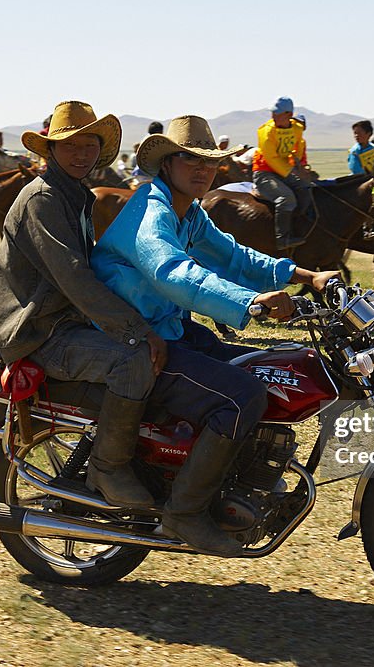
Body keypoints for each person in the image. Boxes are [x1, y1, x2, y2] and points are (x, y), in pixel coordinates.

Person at [91, 115, 338, 556]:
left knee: (271, 372)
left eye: (209, 160)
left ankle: (237, 480)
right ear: (167, 163)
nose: (202, 168)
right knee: (241, 397)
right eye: (189, 159)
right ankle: (184, 513)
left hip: (170, 331)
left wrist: (306, 275)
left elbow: (235, 256)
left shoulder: (189, 213)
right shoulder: (152, 209)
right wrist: (253, 303)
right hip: (133, 341)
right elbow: (173, 274)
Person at [0, 100, 166, 510]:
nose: (81, 153)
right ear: (50, 150)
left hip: (66, 323)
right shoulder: (43, 199)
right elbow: (74, 277)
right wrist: (137, 329)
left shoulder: (75, 197)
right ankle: (107, 468)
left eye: (89, 144)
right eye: (71, 144)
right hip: (41, 331)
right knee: (133, 360)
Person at [252, 96, 313, 250]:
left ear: (288, 114)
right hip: (264, 172)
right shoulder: (266, 131)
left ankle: (299, 229)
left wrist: (300, 167)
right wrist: (292, 171)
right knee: (286, 198)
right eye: (273, 112)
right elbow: (271, 158)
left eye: (276, 113)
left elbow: (297, 148)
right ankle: (282, 239)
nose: (273, 116)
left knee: (306, 189)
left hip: (284, 171)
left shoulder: (296, 129)